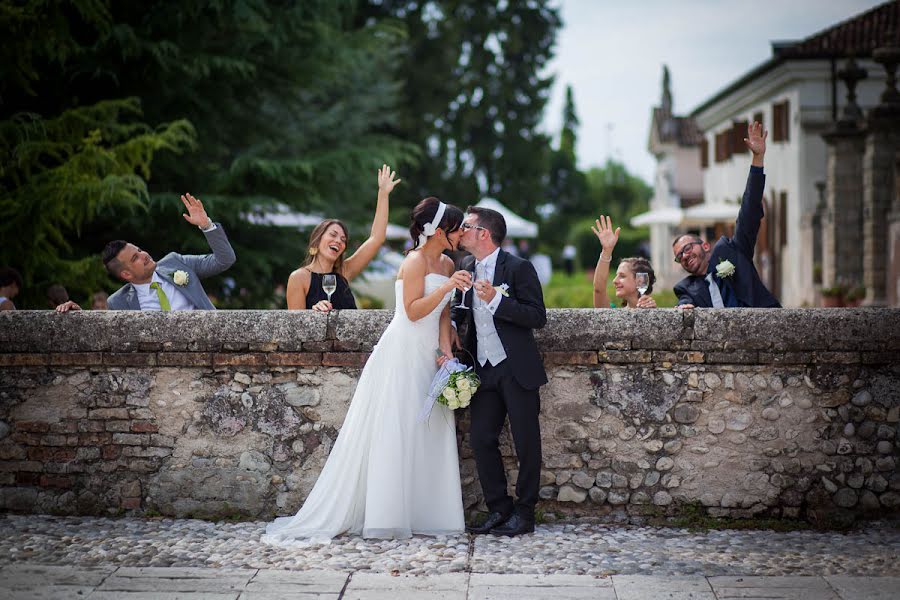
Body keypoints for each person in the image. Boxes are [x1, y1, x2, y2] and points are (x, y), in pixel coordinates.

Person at [264, 197, 471, 543]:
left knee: (430, 427)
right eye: (456, 227)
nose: (461, 232)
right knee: (398, 428)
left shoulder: (448, 263)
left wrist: (447, 353)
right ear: (439, 230)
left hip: (428, 354)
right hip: (402, 351)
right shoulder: (414, 262)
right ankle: (388, 515)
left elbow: (444, 315)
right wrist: (449, 287)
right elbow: (413, 311)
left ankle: (428, 512)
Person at [452, 206, 547, 537]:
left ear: (484, 234)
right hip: (483, 368)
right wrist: (450, 323)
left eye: (466, 226)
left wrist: (496, 301)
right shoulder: (465, 266)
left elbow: (537, 316)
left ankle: (525, 513)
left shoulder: (519, 268)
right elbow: (460, 311)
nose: (460, 231)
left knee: (526, 443)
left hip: (515, 367)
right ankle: (499, 508)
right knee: (480, 439)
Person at [55, 194, 235, 312]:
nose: (144, 255)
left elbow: (225, 260)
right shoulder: (118, 302)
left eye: (139, 250)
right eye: (135, 258)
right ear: (126, 273)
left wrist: (206, 225)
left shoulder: (175, 262)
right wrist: (78, 316)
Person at [672, 121, 780, 309]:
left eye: (687, 248)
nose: (684, 256)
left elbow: (749, 211)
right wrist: (683, 308)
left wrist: (757, 160)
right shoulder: (686, 288)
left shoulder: (731, 251)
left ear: (705, 246)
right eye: (679, 256)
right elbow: (685, 302)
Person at [286, 165, 398, 312]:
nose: (339, 240)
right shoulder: (298, 278)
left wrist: (383, 194)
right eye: (333, 235)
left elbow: (376, 238)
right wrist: (312, 313)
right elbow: (295, 327)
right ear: (317, 241)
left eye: (343, 239)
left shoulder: (344, 272)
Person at [591, 215, 657, 309]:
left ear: (641, 281)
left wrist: (653, 313)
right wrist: (607, 251)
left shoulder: (653, 310)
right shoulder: (612, 313)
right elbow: (598, 290)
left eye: (622, 276)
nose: (614, 281)